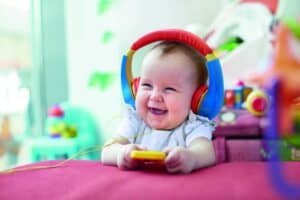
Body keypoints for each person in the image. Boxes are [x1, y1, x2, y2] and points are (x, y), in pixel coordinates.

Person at [101, 41, 216, 173]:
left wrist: (190, 157)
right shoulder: (136, 121)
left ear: (196, 99)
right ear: (136, 88)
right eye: (147, 85)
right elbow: (107, 151)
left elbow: (207, 152)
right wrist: (122, 153)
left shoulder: (193, 125)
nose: (155, 96)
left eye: (169, 89)